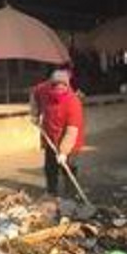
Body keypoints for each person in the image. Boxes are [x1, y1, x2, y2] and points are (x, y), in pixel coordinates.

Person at [30, 66, 85, 196]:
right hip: (50, 134)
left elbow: (71, 133)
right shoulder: (43, 89)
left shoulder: (73, 102)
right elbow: (34, 94)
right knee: (50, 166)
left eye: (62, 87)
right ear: (51, 85)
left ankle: (71, 194)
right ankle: (51, 192)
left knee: (68, 166)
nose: (59, 90)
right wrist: (35, 113)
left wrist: (63, 152)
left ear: (67, 86)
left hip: (71, 140)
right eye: (56, 87)